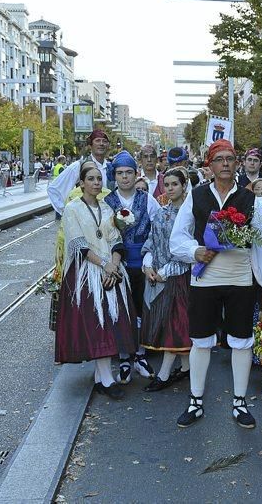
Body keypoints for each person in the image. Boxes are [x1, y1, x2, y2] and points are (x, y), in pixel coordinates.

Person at [170, 139, 262, 429]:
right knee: (201, 340)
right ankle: (195, 400)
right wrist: (194, 251)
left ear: (237, 164)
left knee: (242, 340)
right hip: (204, 278)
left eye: (230, 159)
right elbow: (177, 238)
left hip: (240, 278)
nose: (225, 164)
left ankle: (240, 401)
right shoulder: (195, 196)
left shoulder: (250, 201)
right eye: (219, 159)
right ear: (209, 164)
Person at [55, 162, 138, 400]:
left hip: (110, 270)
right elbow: (78, 244)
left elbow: (115, 239)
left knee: (110, 324)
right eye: (90, 179)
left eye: (99, 179)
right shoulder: (72, 209)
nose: (96, 183)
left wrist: (113, 263)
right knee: (97, 325)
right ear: (81, 183)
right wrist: (105, 265)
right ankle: (106, 379)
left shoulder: (107, 207)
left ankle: (103, 378)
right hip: (86, 273)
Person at [104, 151, 161, 384]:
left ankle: (140, 354)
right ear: (114, 176)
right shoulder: (107, 202)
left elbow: (157, 230)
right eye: (120, 173)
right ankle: (124, 356)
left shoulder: (147, 199)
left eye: (129, 173)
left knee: (141, 309)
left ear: (135, 174)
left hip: (142, 262)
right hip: (119, 263)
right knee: (120, 310)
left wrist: (151, 259)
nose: (125, 177)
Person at [141, 168, 192, 391]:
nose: (170, 189)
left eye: (175, 184)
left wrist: (168, 270)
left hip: (182, 277)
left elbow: (192, 248)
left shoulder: (192, 214)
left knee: (176, 326)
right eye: (168, 184)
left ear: (184, 185)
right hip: (159, 275)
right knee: (169, 324)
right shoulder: (161, 213)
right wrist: (148, 264)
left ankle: (163, 375)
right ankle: (187, 368)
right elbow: (152, 239)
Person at [48, 130, 112, 215]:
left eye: (104, 141)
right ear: (90, 145)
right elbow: (53, 188)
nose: (101, 144)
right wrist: (66, 211)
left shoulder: (111, 167)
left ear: (108, 145)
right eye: (97, 141)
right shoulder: (79, 165)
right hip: (86, 219)